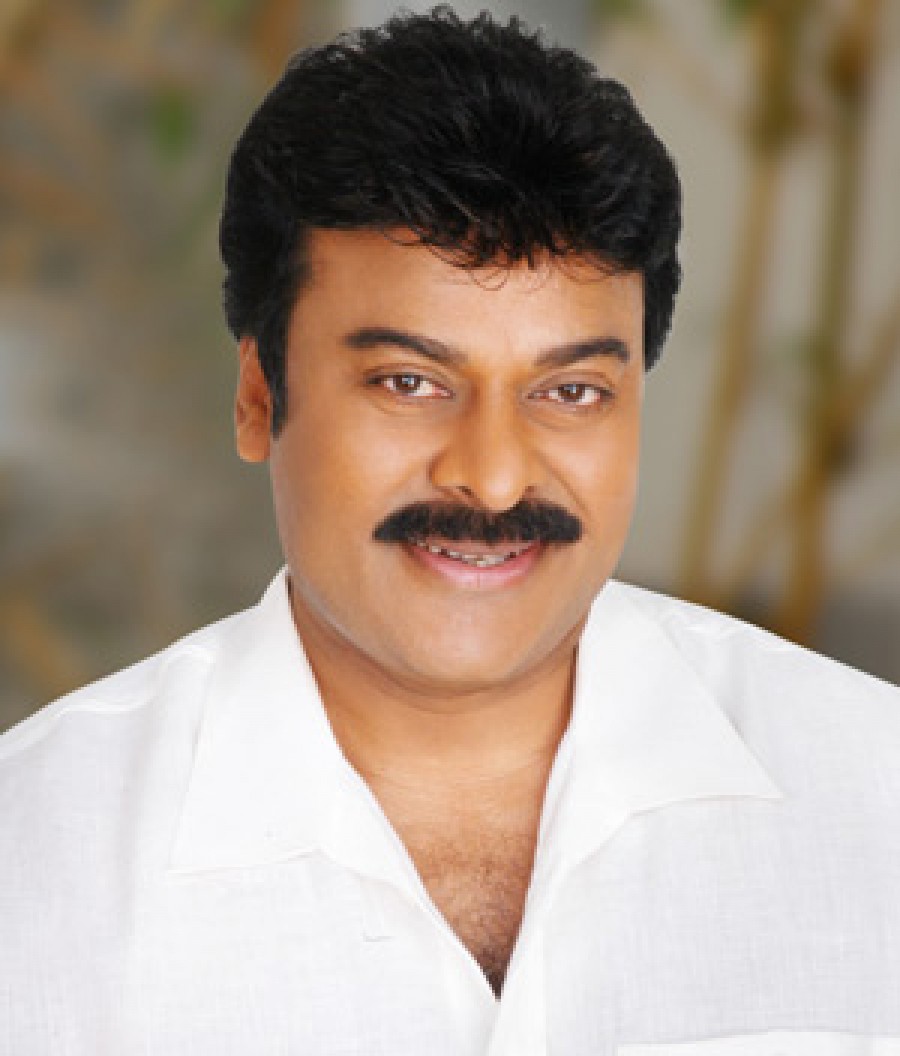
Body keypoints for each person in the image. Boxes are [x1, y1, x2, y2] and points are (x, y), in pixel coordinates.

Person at [2, 6, 898, 1054]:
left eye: (570, 391)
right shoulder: (36, 862)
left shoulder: (875, 797)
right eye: (410, 382)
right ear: (258, 396)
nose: (494, 476)